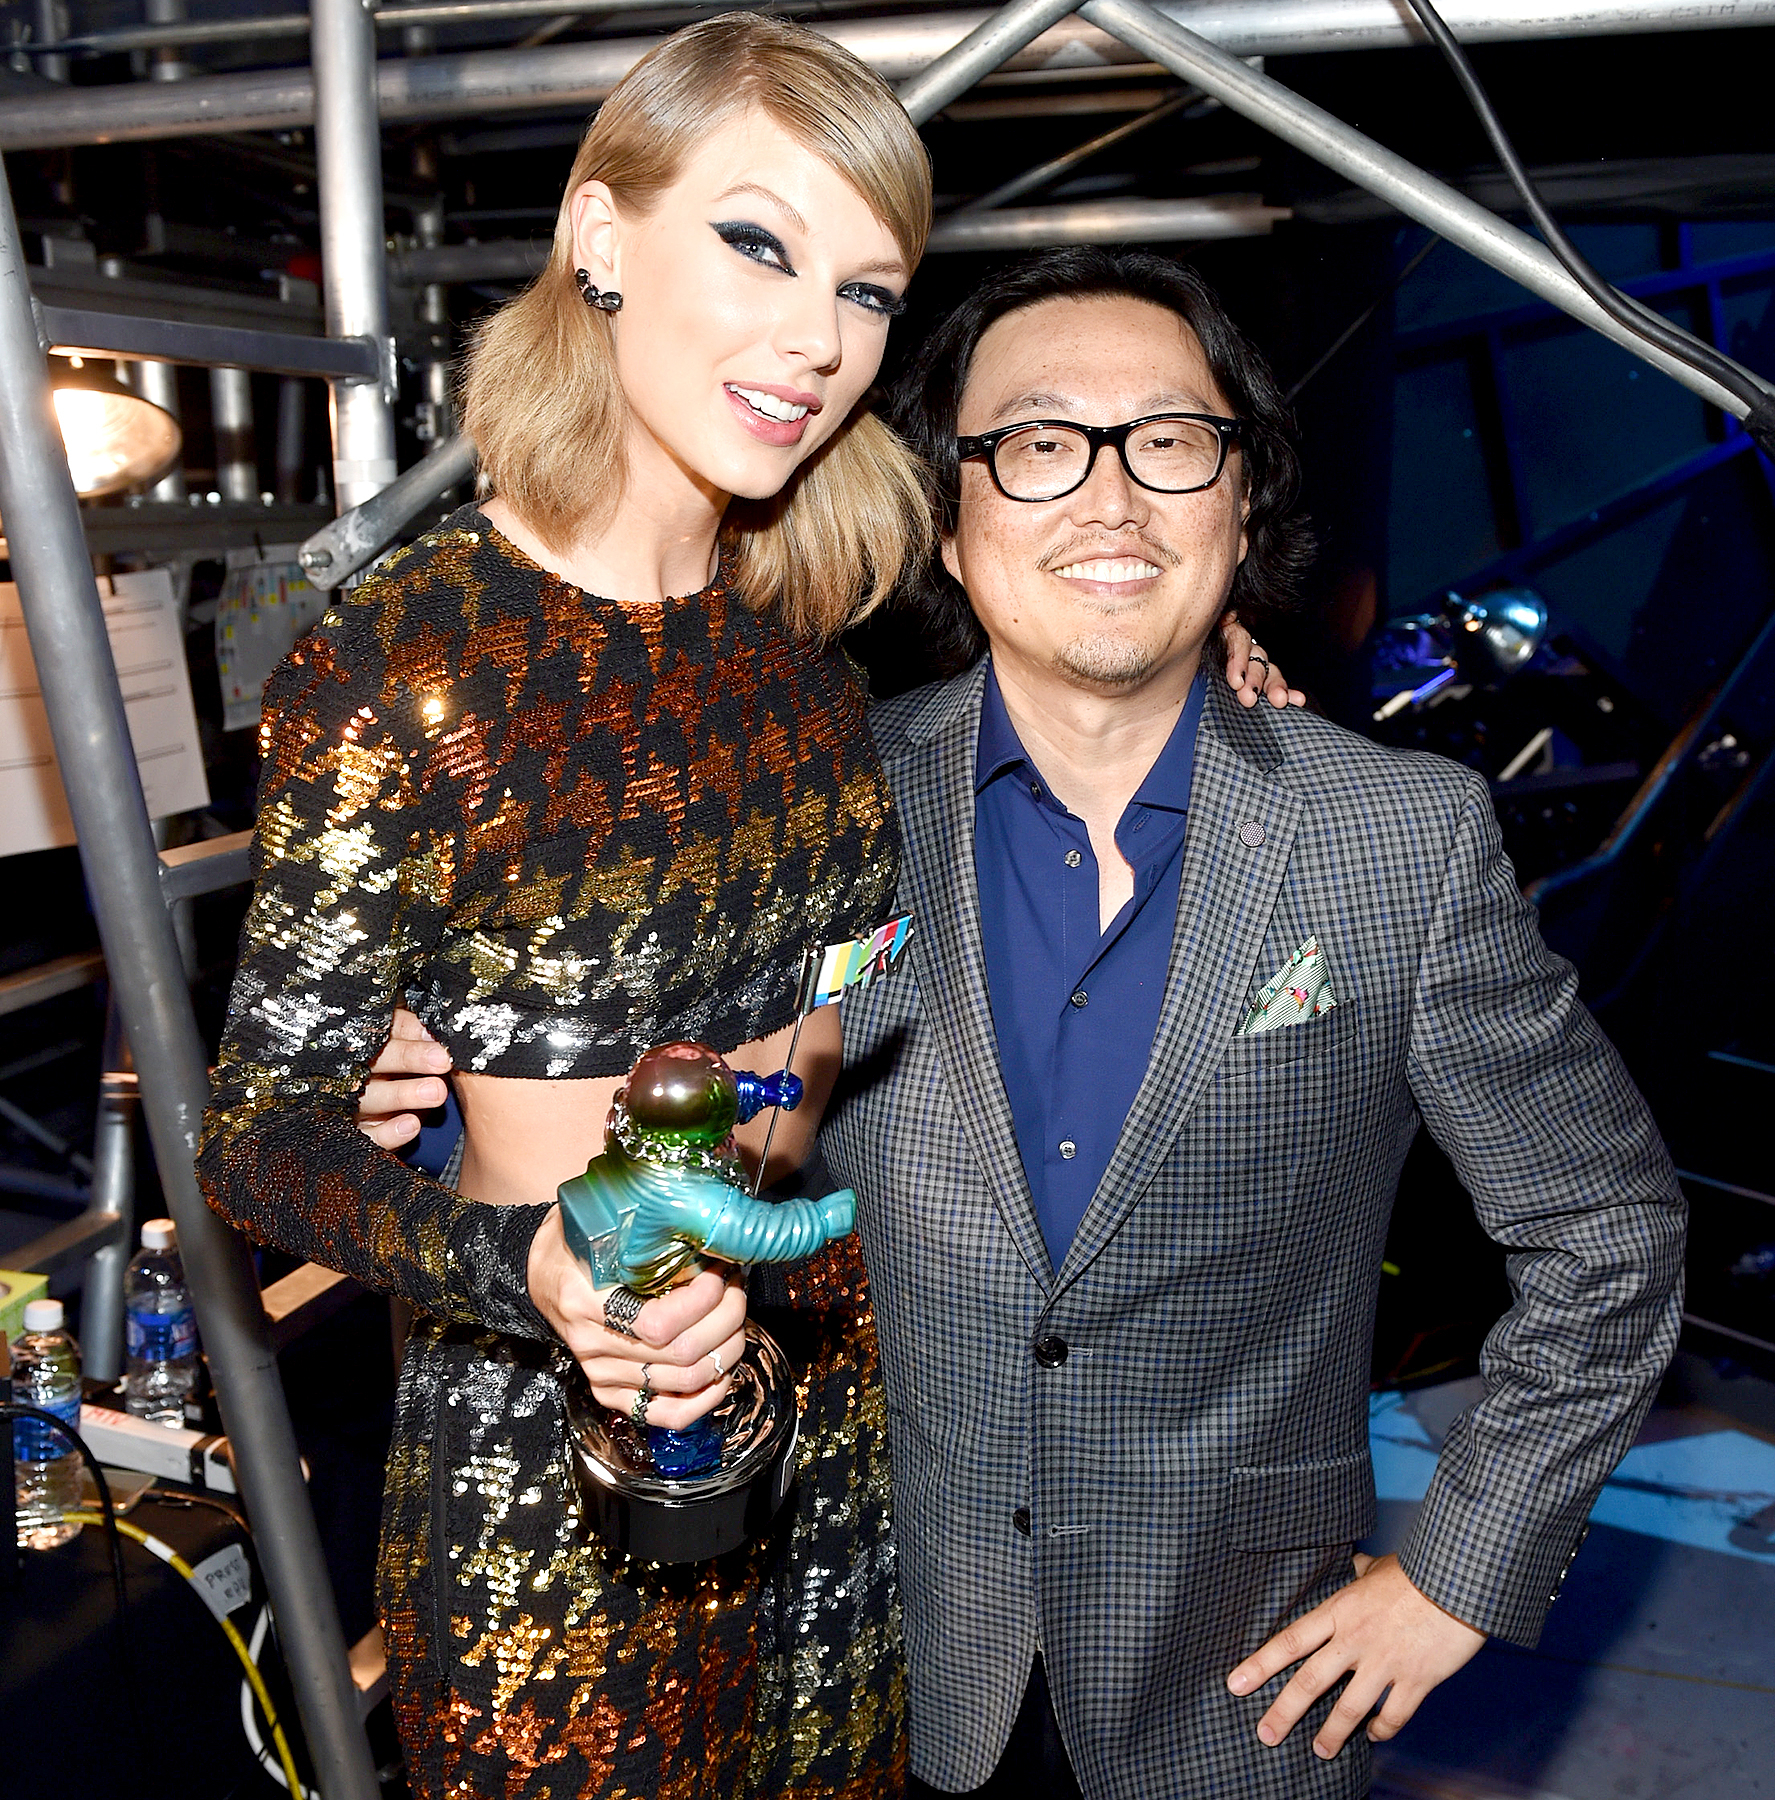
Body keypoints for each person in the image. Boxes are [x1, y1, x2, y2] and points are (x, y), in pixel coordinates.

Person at [200, 18, 1294, 1798]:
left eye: (867, 292)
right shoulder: (407, 658)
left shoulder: (807, 638)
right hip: (560, 1462)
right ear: (605, 240)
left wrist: (1206, 653)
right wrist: (528, 1267)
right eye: (760, 246)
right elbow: (254, 1139)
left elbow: (917, 890)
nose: (817, 338)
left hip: (833, 1422)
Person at [810, 247, 1686, 1800]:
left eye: (1169, 440)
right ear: (950, 514)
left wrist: (1460, 1576)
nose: (1108, 496)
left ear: (1238, 497)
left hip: (1238, 1696)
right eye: (1035, 442)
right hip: (896, 1673)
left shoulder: (1399, 842)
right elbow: (666, 1111)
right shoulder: (821, 810)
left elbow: (1608, 1235)